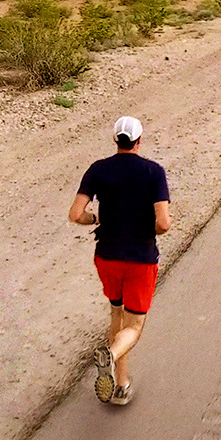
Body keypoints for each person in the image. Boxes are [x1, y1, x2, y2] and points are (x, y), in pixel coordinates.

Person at [69, 116, 171, 405]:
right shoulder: (153, 172)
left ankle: (121, 386)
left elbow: (75, 214)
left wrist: (95, 219)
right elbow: (163, 224)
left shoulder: (98, 169)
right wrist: (147, 228)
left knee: (117, 314)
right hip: (140, 260)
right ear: (139, 141)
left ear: (116, 140)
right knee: (134, 326)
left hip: (107, 258)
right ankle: (110, 355)